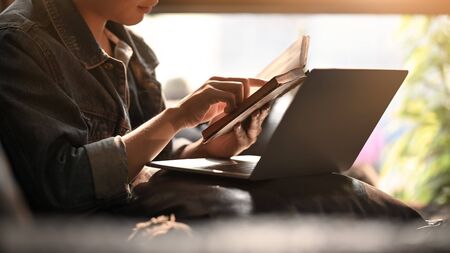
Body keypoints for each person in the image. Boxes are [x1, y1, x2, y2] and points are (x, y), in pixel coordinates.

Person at [0, 0, 269, 212]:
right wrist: (175, 118)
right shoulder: (18, 43)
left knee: (288, 191)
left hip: (138, 209)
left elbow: (152, 162)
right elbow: (62, 185)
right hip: (90, 230)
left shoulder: (132, 48)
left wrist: (206, 149)